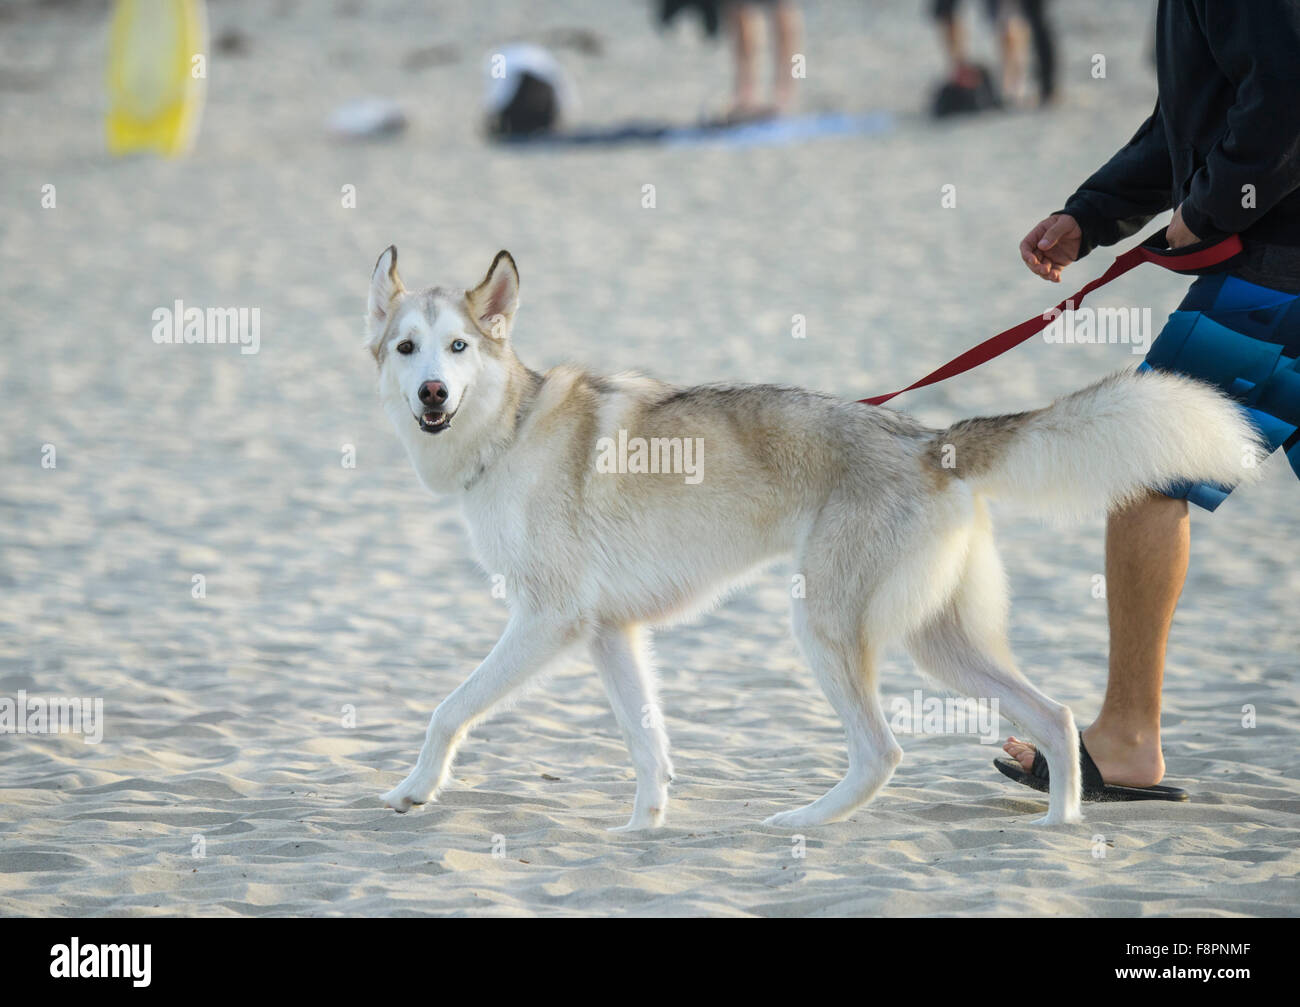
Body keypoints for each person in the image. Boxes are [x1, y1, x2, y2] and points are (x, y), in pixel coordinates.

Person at [999, 1, 1300, 801]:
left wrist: (1205, 212)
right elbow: (1196, 111)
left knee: (1144, 465)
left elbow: (1286, 98)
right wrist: (1091, 213)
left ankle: (1128, 736)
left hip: (1278, 270)